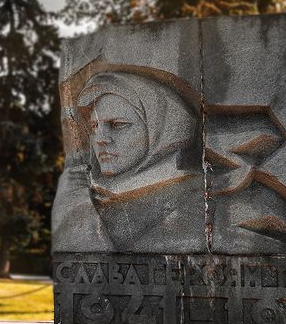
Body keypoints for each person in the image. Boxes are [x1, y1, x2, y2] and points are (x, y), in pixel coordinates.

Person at [53, 70, 205, 253]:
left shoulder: (199, 196)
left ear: (160, 131)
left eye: (117, 125)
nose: (100, 139)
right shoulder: (83, 194)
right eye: (94, 126)